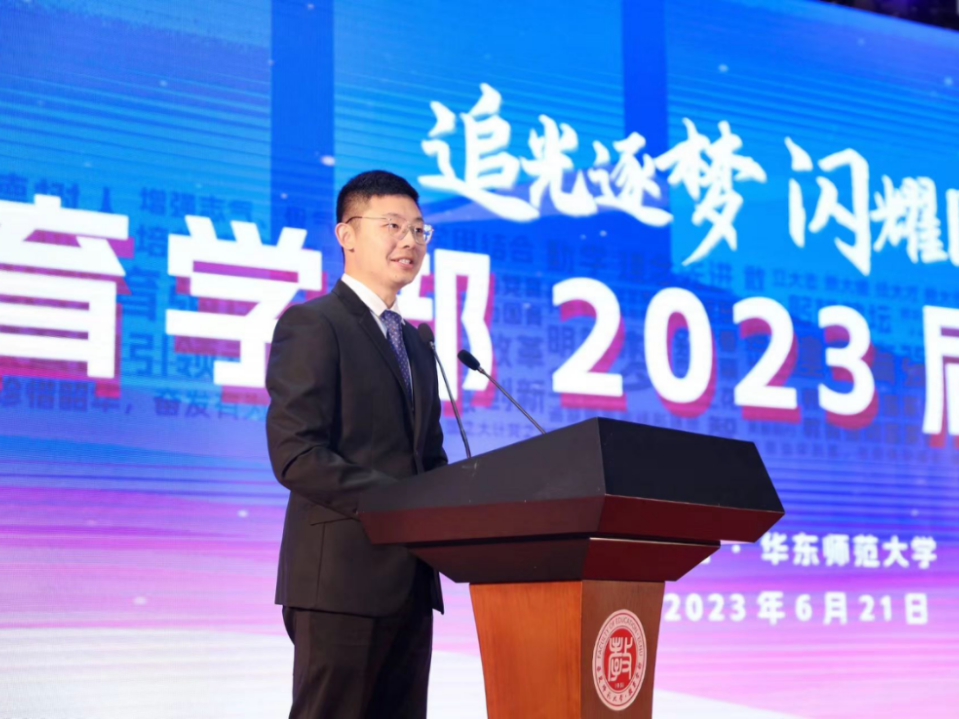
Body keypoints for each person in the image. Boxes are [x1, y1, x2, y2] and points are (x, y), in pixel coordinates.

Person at [265, 170, 447, 718]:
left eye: (419, 230)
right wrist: (400, 504)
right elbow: (297, 455)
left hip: (411, 584)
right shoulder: (314, 324)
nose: (410, 241)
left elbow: (429, 460)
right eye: (393, 225)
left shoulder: (416, 343)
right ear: (346, 234)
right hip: (340, 583)